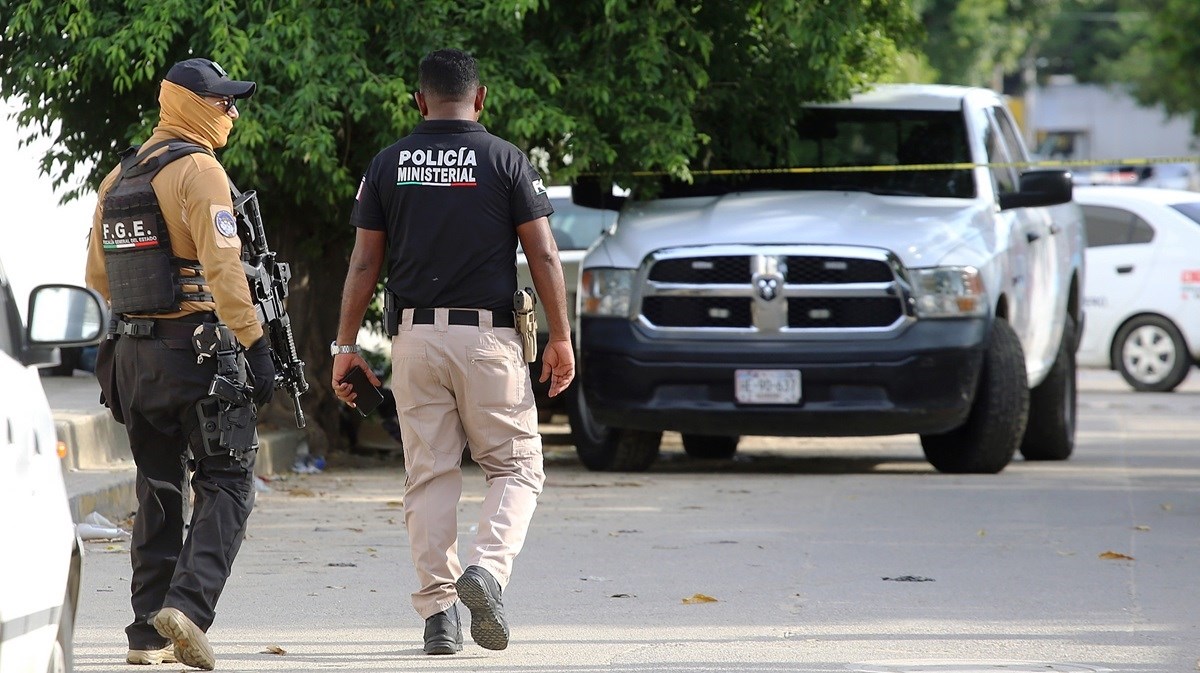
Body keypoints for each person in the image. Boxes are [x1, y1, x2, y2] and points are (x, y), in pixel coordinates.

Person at [332, 48, 574, 655]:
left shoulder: (389, 164)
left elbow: (364, 262)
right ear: (481, 98)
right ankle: (487, 572)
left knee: (430, 475)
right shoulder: (505, 160)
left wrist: (343, 346)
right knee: (516, 466)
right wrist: (561, 336)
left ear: (419, 100)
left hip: (413, 340)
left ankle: (440, 615)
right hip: (489, 340)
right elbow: (543, 255)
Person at [85, 57, 274, 671]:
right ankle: (189, 608)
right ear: (191, 106)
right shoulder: (201, 171)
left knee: (159, 488)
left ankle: (145, 634)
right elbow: (222, 270)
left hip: (135, 359)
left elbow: (97, 279)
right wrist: (256, 342)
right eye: (222, 102)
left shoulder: (117, 179)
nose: (232, 112)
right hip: (199, 355)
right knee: (228, 480)